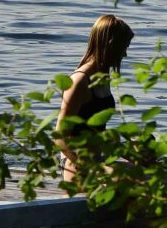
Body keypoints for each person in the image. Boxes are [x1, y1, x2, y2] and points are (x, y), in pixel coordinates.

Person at [55, 14, 135, 183]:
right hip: (75, 165)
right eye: (123, 48)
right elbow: (60, 137)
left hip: (98, 160)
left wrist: (130, 154)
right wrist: (85, 165)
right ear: (110, 45)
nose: (125, 55)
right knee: (135, 181)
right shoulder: (79, 82)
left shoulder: (102, 78)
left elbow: (97, 133)